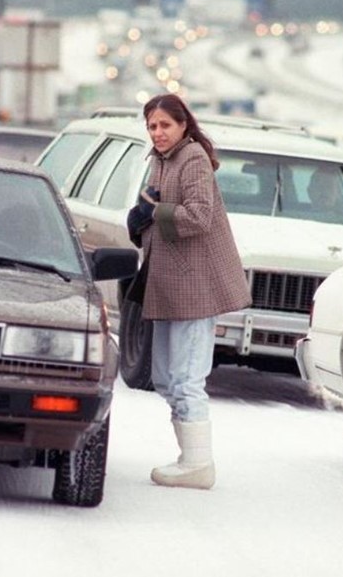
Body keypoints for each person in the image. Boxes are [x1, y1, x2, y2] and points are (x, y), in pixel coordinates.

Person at [128, 94, 251, 490]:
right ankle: (188, 458)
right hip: (167, 284)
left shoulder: (193, 158)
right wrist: (139, 220)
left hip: (195, 285)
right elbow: (150, 208)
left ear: (183, 125)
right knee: (164, 377)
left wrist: (155, 213)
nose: (158, 132)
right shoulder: (160, 161)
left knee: (186, 377)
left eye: (165, 124)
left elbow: (199, 215)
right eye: (152, 126)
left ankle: (199, 463)